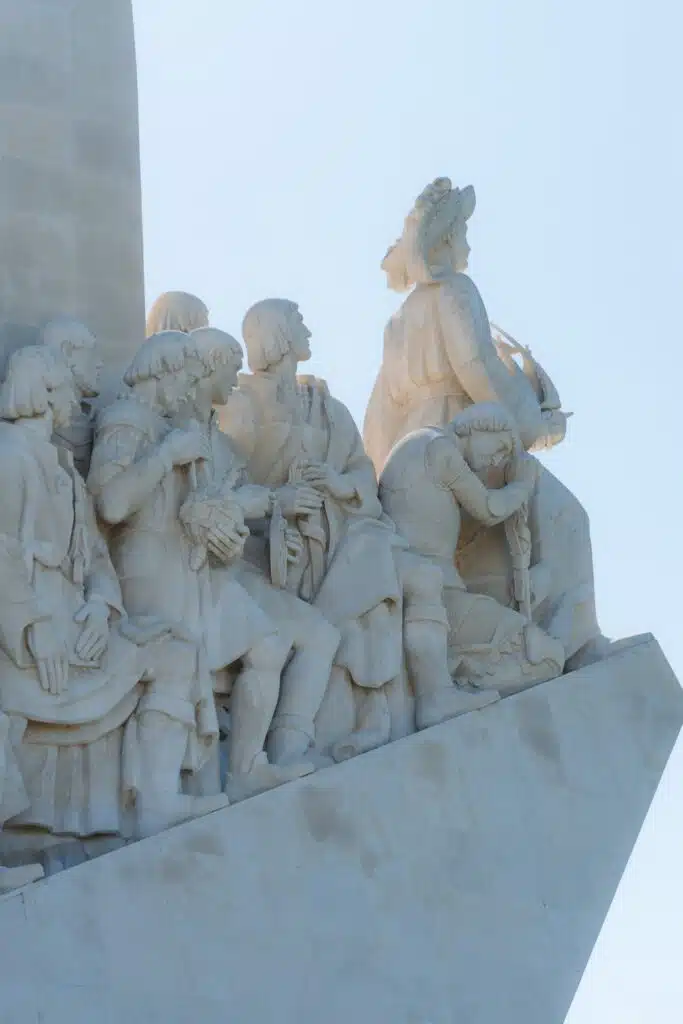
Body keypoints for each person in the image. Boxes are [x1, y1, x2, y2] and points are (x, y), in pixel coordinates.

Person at [222, 299, 492, 761]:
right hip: (282, 544)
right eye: (298, 321)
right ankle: (359, 719)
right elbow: (227, 477)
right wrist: (280, 502)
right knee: (375, 565)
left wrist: (340, 484)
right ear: (278, 334)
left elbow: (361, 472)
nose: (308, 328)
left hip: (346, 527)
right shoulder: (242, 400)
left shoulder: (326, 405)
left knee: (417, 575)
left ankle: (431, 696)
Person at [364, 177, 607, 668]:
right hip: (467, 434)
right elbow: (480, 369)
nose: (469, 246)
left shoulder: (397, 323)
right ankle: (574, 646)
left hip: (413, 450)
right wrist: (538, 426)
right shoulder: (454, 291)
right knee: (567, 520)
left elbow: (380, 413)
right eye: (463, 233)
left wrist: (383, 482)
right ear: (447, 238)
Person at [0, 346, 225, 840]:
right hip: (35, 641)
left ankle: (158, 802)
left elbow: (97, 556)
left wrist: (102, 608)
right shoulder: (9, 456)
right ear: (42, 392)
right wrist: (33, 628)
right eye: (65, 389)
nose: (78, 402)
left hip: (79, 629)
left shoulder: (63, 467)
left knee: (176, 654)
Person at [88, 331, 313, 802]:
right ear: (164, 371)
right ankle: (162, 794)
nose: (189, 391)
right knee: (183, 661)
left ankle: (247, 767)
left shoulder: (165, 426)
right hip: (147, 565)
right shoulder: (125, 421)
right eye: (187, 379)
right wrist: (167, 455)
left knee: (268, 643)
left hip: (183, 563)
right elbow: (110, 504)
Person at [185, 325, 341, 767]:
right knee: (270, 643)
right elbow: (191, 511)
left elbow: (241, 519)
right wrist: (273, 501)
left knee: (320, 634)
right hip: (196, 575)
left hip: (234, 569)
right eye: (232, 368)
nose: (238, 379)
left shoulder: (219, 443)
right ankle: (246, 767)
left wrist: (277, 532)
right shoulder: (179, 434)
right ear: (208, 368)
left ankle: (287, 752)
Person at [379, 404, 565, 694]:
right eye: (500, 447)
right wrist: (522, 483)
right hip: (436, 595)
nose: (496, 459)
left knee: (540, 652)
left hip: (429, 588)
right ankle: (463, 686)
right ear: (479, 427)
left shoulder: (421, 445)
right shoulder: (440, 449)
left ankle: (463, 678)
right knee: (545, 655)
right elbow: (490, 508)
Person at [41, 317, 103, 477]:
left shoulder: (98, 419)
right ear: (67, 352)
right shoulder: (38, 423)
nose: (100, 364)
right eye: (92, 352)